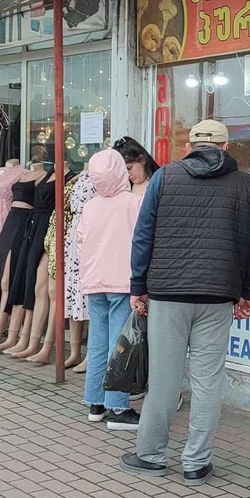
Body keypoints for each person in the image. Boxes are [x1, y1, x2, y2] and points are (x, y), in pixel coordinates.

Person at [121, 120, 250, 486]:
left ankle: (151, 455)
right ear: (226, 146)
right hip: (218, 295)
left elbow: (143, 237)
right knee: (207, 382)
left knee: (164, 381)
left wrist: (138, 285)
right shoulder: (246, 185)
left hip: (168, 294)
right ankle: (196, 463)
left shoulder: (165, 177)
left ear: (189, 145)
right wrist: (248, 292)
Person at [76, 149, 144, 430]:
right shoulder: (134, 203)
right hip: (122, 282)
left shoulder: (90, 206)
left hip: (94, 281)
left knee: (98, 342)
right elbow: (142, 243)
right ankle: (118, 407)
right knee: (120, 346)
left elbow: (81, 243)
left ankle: (95, 402)